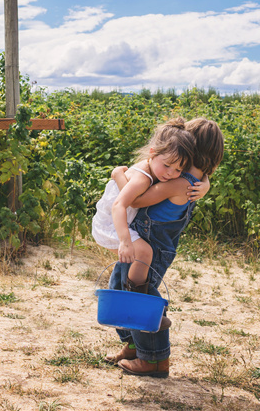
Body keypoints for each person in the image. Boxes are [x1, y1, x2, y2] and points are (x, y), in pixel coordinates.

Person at [104, 117, 224, 378]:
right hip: (150, 240)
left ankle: (155, 359)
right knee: (120, 287)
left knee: (141, 296)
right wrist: (207, 184)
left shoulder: (178, 182)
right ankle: (135, 346)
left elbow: (135, 201)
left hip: (154, 245)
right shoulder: (194, 178)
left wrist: (118, 175)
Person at [91, 118, 196, 307]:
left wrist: (204, 185)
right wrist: (124, 242)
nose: (170, 173)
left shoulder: (155, 169)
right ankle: (135, 301)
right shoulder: (143, 177)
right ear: (152, 154)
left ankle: (132, 298)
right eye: (167, 165)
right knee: (144, 253)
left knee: (139, 256)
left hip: (119, 220)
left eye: (178, 169)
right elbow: (119, 205)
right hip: (110, 223)